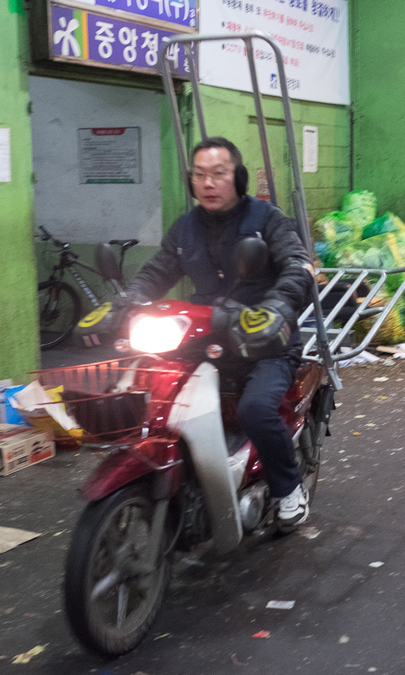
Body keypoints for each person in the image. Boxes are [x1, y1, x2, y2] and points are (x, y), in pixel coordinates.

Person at [127, 137, 314, 532]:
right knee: (153, 399)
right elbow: (157, 272)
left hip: (265, 343)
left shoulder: (268, 220)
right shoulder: (185, 228)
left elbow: (297, 267)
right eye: (200, 175)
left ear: (238, 178)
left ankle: (288, 489)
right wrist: (127, 301)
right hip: (204, 339)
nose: (208, 183)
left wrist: (277, 309)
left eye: (219, 174)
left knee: (255, 410)